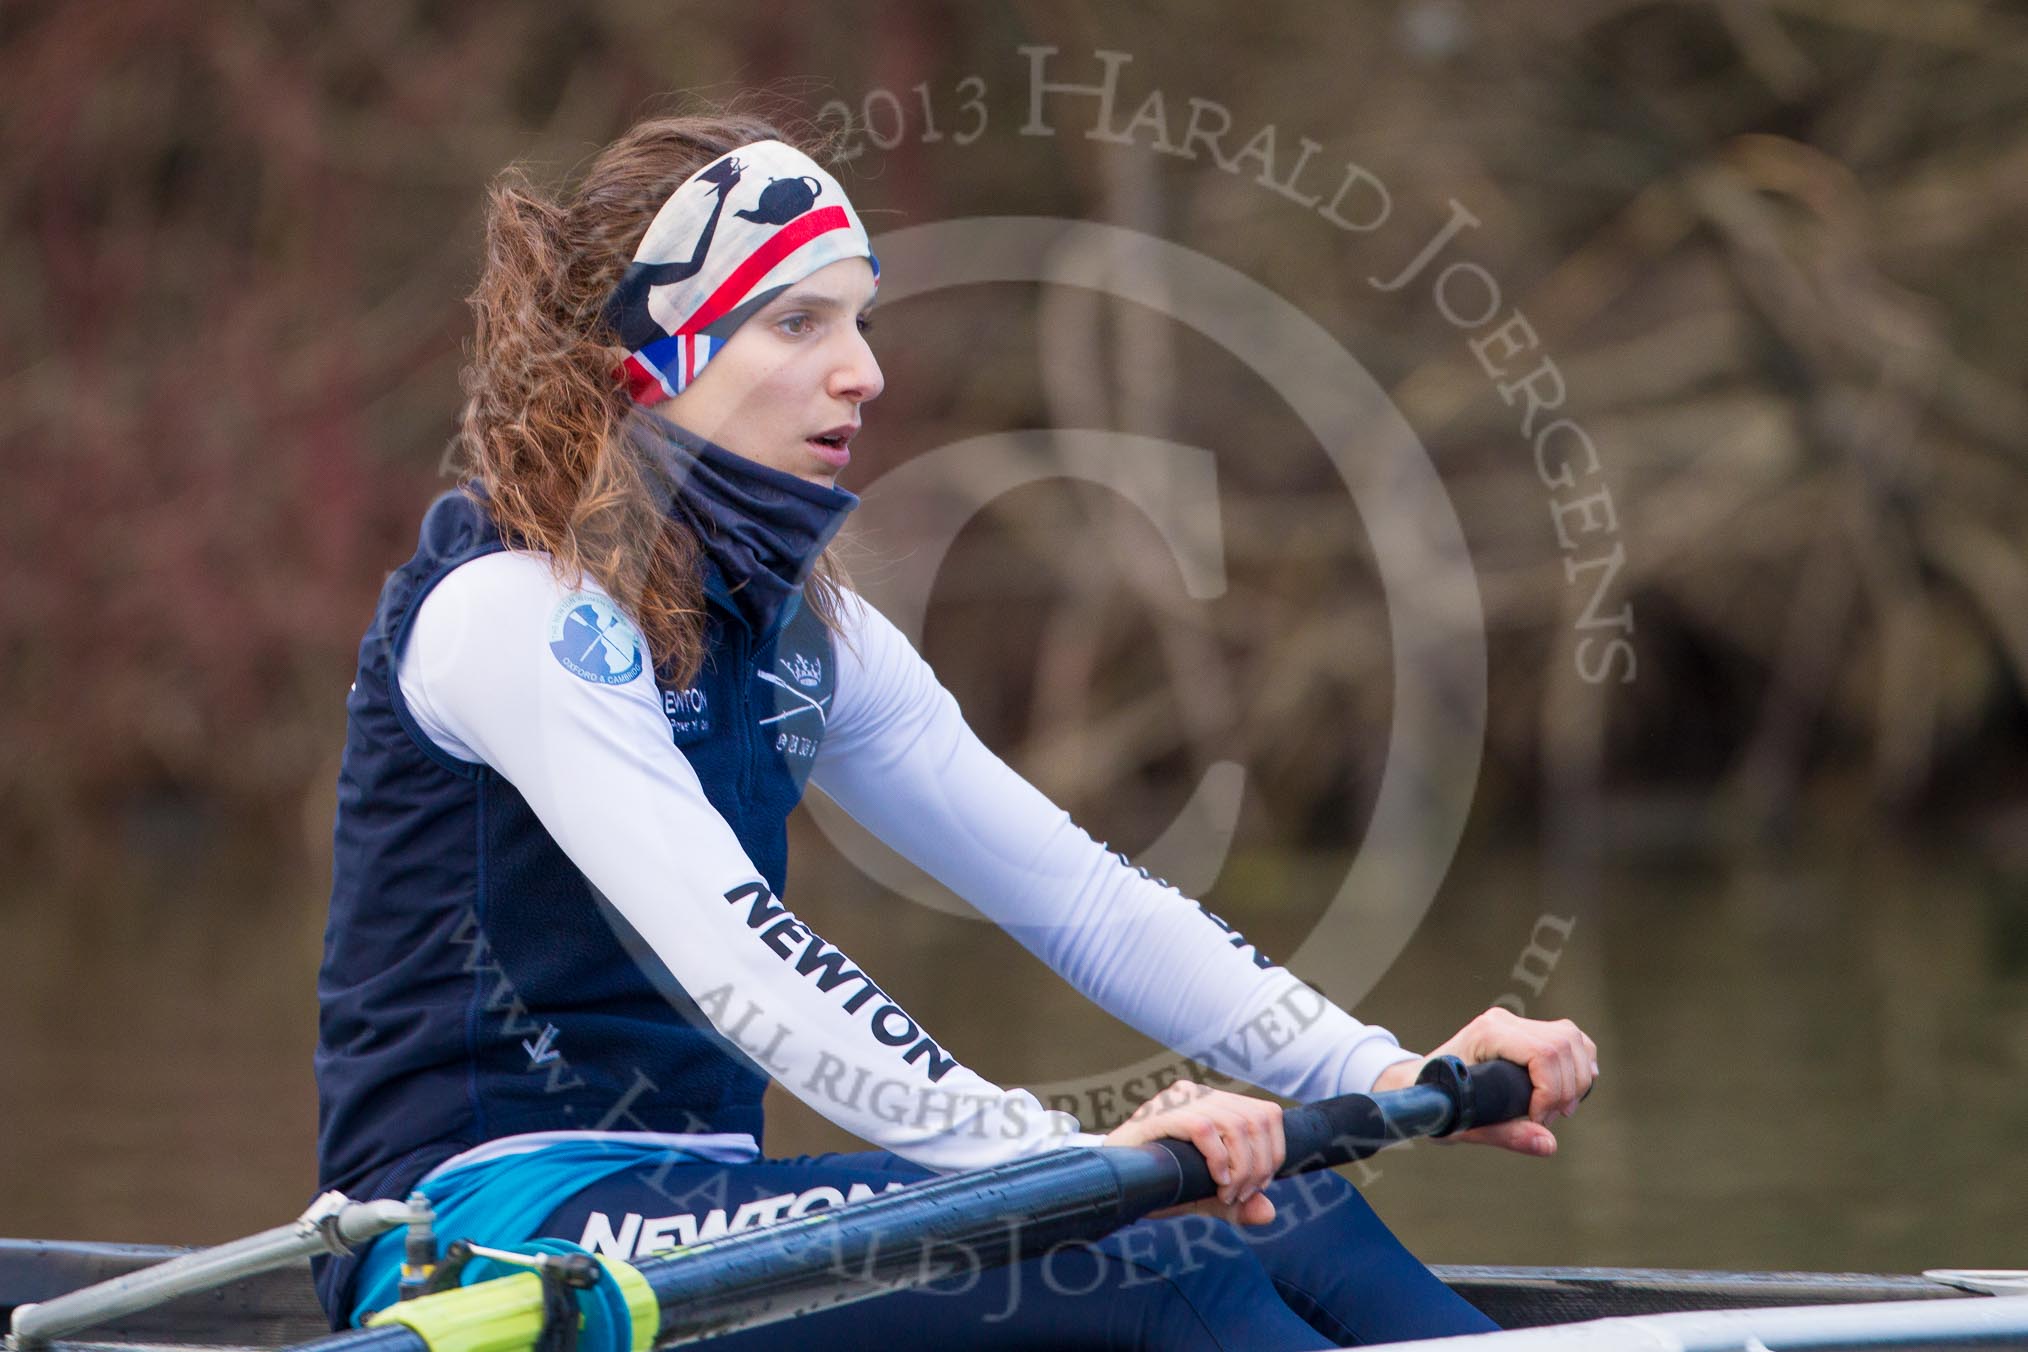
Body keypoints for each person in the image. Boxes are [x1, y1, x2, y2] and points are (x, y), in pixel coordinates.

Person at [314, 109, 1599, 1350]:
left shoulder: (806, 632)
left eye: (859, 318)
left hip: (692, 1209)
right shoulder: (516, 609)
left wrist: (1381, 1067)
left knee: (1292, 1203)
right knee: (1161, 1251)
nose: (862, 369)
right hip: (486, 1239)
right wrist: (1075, 1166)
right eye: (796, 321)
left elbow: (1083, 898)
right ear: (643, 365)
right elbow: (739, 962)